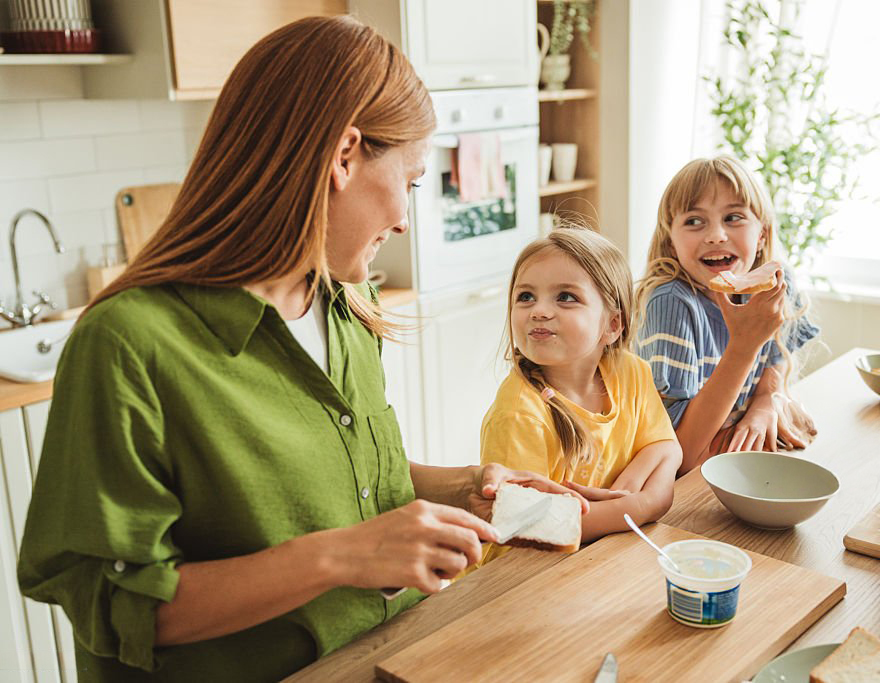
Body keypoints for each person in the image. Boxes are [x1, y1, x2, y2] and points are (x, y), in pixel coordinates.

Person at [16, 16, 584, 682]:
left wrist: (462, 488)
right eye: (409, 182)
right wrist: (343, 556)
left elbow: (336, 476)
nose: (405, 220)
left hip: (385, 657)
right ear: (344, 156)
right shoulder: (127, 343)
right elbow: (116, 606)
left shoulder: (346, 303)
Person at [474, 226, 681, 568]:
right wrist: (638, 505)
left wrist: (633, 487)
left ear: (612, 325)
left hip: (599, 560)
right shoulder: (518, 415)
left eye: (566, 297)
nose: (539, 311)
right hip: (520, 577)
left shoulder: (630, 371)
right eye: (525, 297)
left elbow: (667, 447)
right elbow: (527, 526)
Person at [635, 155, 820, 475]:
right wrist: (744, 346)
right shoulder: (671, 304)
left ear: (762, 234)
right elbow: (681, 456)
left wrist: (765, 401)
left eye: (733, 217)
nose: (716, 235)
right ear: (671, 241)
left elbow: (776, 361)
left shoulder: (777, 282)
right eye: (694, 221)